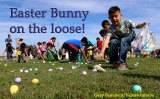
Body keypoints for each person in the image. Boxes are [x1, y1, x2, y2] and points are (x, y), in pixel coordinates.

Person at [96, 6, 149, 70]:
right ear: (109, 18)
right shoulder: (111, 28)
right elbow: (107, 39)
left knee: (124, 40)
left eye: (116, 16)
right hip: (121, 39)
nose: (114, 18)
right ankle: (115, 62)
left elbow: (137, 26)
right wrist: (101, 52)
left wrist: (143, 24)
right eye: (112, 17)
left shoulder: (127, 22)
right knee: (113, 42)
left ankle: (122, 63)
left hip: (131, 37)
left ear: (121, 15)